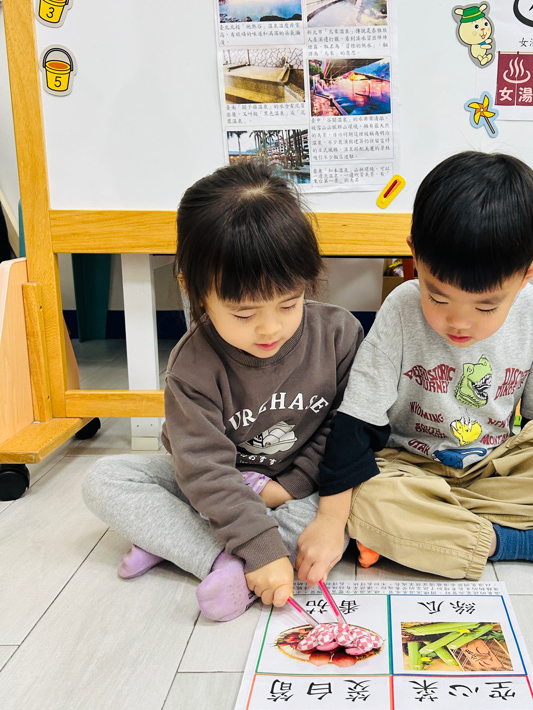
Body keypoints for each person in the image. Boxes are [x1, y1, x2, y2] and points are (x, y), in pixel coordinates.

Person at [295, 151, 533, 586]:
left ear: (528, 274)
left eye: (486, 306)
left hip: (492, 468)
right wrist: (330, 521)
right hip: (409, 468)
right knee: (365, 498)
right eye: (437, 297)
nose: (458, 322)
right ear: (414, 256)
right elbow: (356, 421)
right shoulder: (401, 308)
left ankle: (424, 534)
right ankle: (511, 542)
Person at [82, 161, 363, 619]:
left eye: (288, 304)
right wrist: (259, 546)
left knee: (348, 506)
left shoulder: (339, 335)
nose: (270, 328)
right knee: (105, 479)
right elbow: (203, 470)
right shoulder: (191, 366)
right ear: (194, 291)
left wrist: (286, 488)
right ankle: (224, 561)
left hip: (299, 487)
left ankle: (182, 543)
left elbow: (343, 432)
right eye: (243, 314)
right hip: (216, 485)